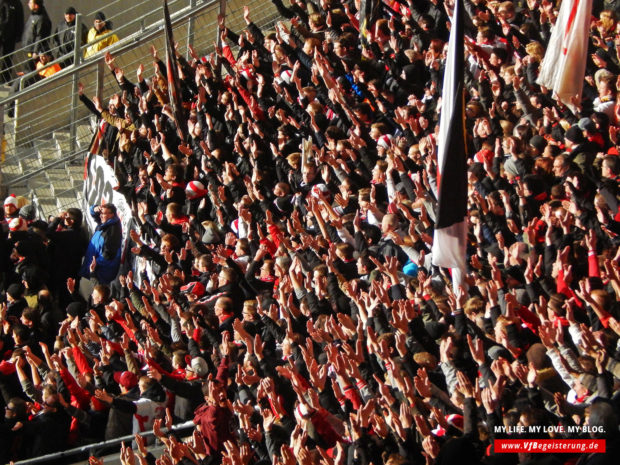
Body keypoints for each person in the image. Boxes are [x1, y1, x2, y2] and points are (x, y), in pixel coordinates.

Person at [79, 203, 122, 285]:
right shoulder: (105, 224)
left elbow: (108, 255)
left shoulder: (112, 230)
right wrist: (94, 208)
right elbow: (94, 214)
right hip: (93, 269)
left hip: (100, 273)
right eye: (100, 213)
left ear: (111, 215)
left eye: (104, 213)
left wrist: (94, 265)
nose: (100, 216)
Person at [21, 0, 51, 71]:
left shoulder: (41, 18)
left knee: (30, 69)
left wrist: (35, 51)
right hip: (29, 48)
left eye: (30, 3)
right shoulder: (33, 15)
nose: (28, 4)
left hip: (33, 50)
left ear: (36, 5)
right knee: (27, 68)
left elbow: (40, 36)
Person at [0, 0, 24, 83]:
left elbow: (20, 19)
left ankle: (5, 80)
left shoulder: (16, 3)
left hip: (10, 36)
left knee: (7, 59)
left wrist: (18, 35)